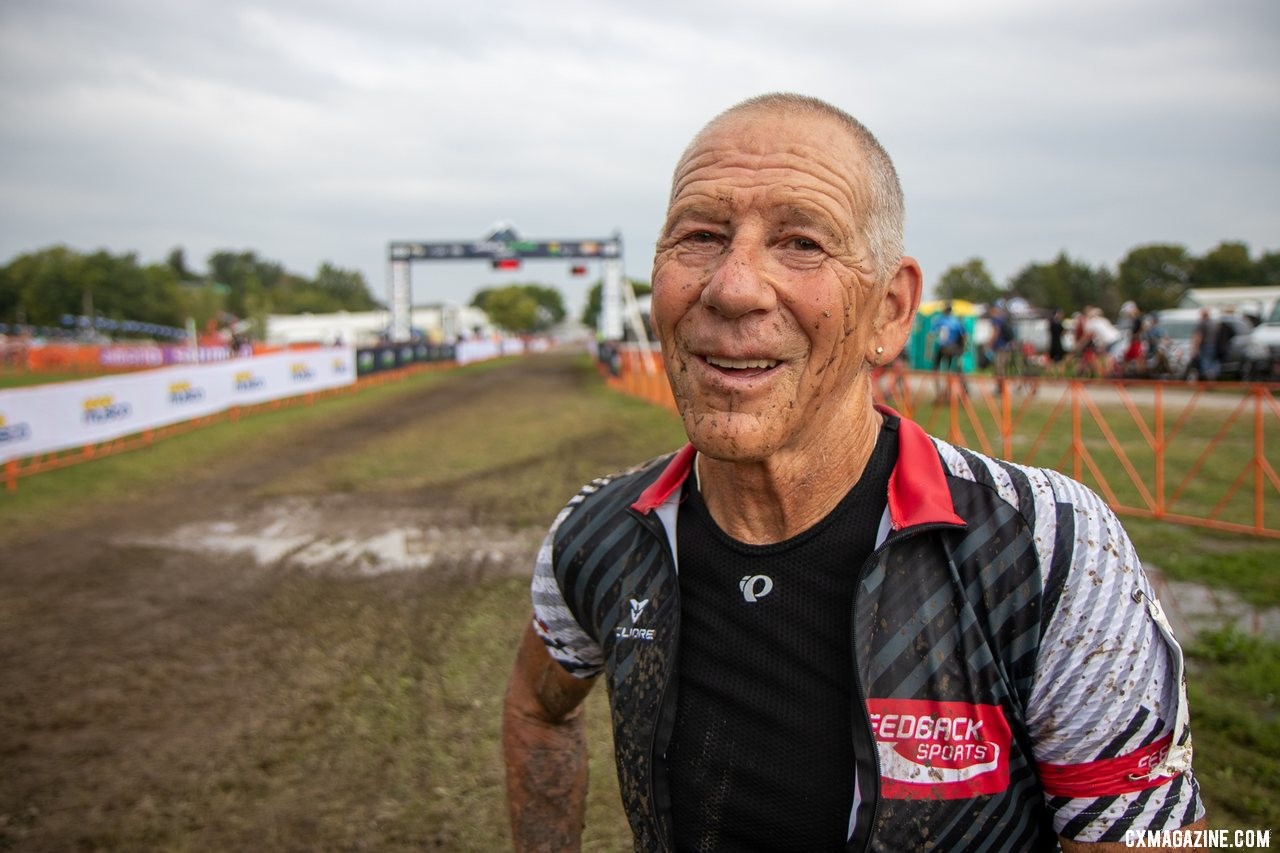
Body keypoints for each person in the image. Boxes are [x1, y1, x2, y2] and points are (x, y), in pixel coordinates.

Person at [503, 93, 1205, 852]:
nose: (733, 287)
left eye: (801, 243)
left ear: (891, 312)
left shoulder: (1047, 547)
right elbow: (537, 708)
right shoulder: (601, 533)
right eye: (700, 236)